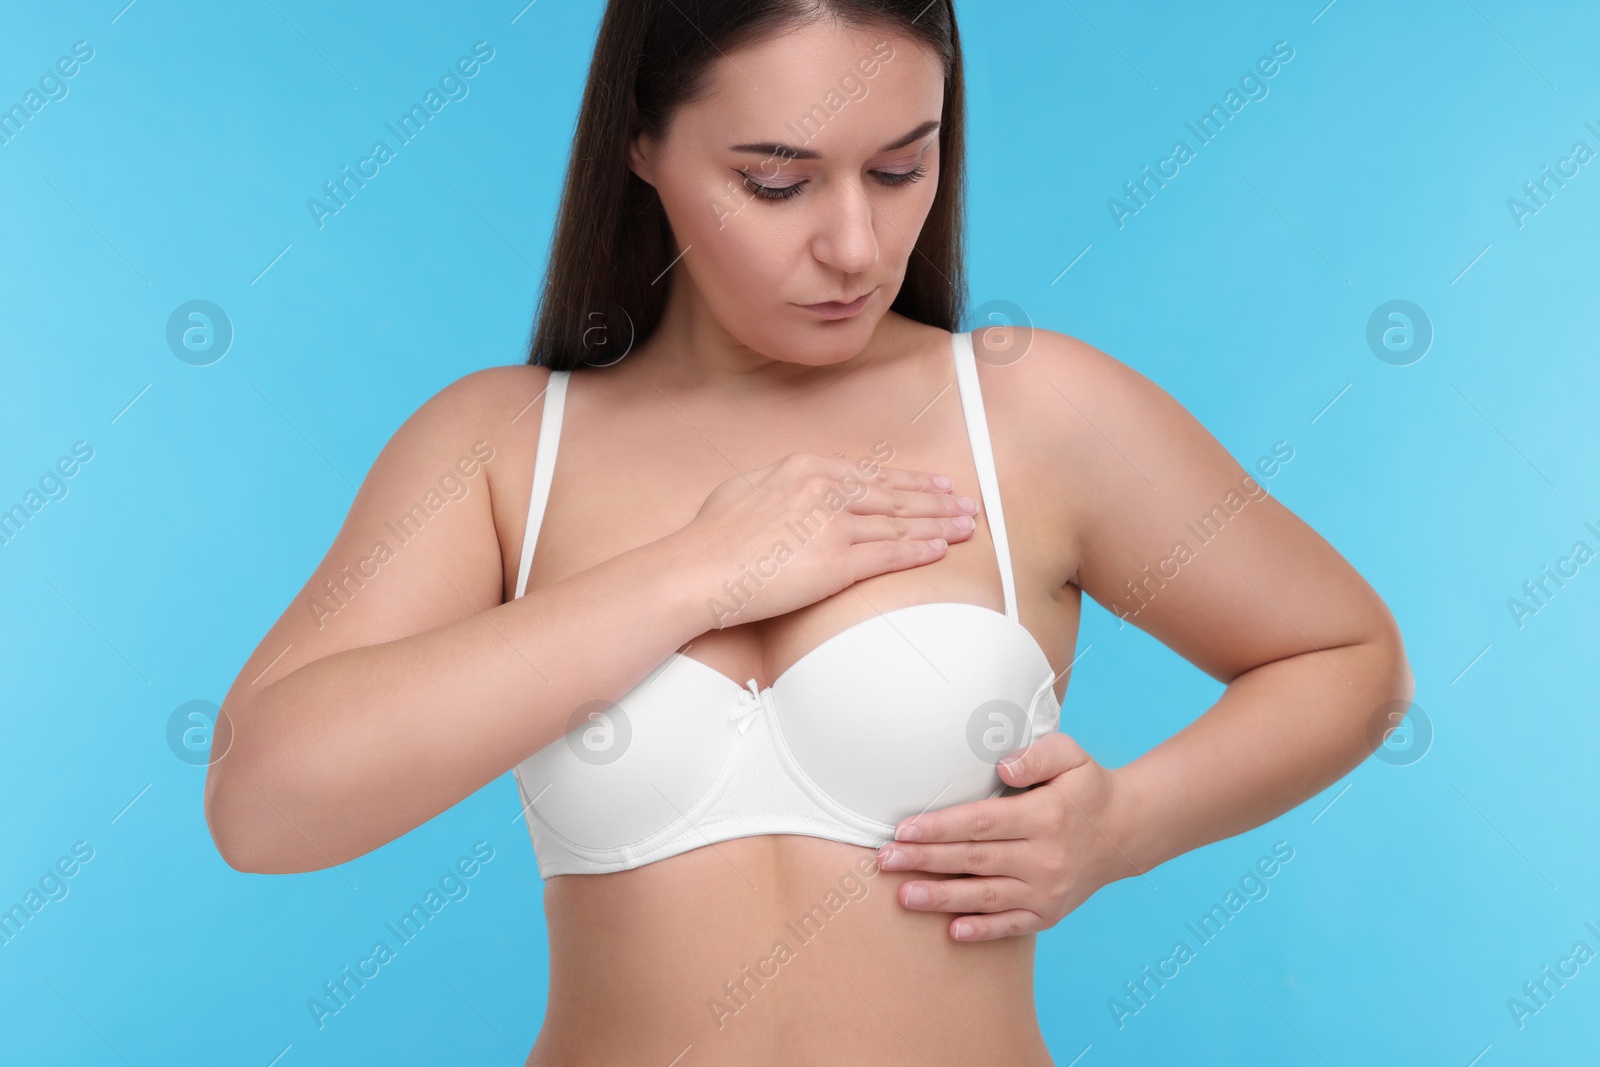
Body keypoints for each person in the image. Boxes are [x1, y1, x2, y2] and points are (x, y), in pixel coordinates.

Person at [204, 2, 1414, 1063]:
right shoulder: (502, 446)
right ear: (640, 140)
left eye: (900, 169)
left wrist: (1127, 827)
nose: (854, 246)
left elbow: (1346, 656)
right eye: (776, 182)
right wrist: (692, 571)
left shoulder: (1029, 412)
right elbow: (264, 806)